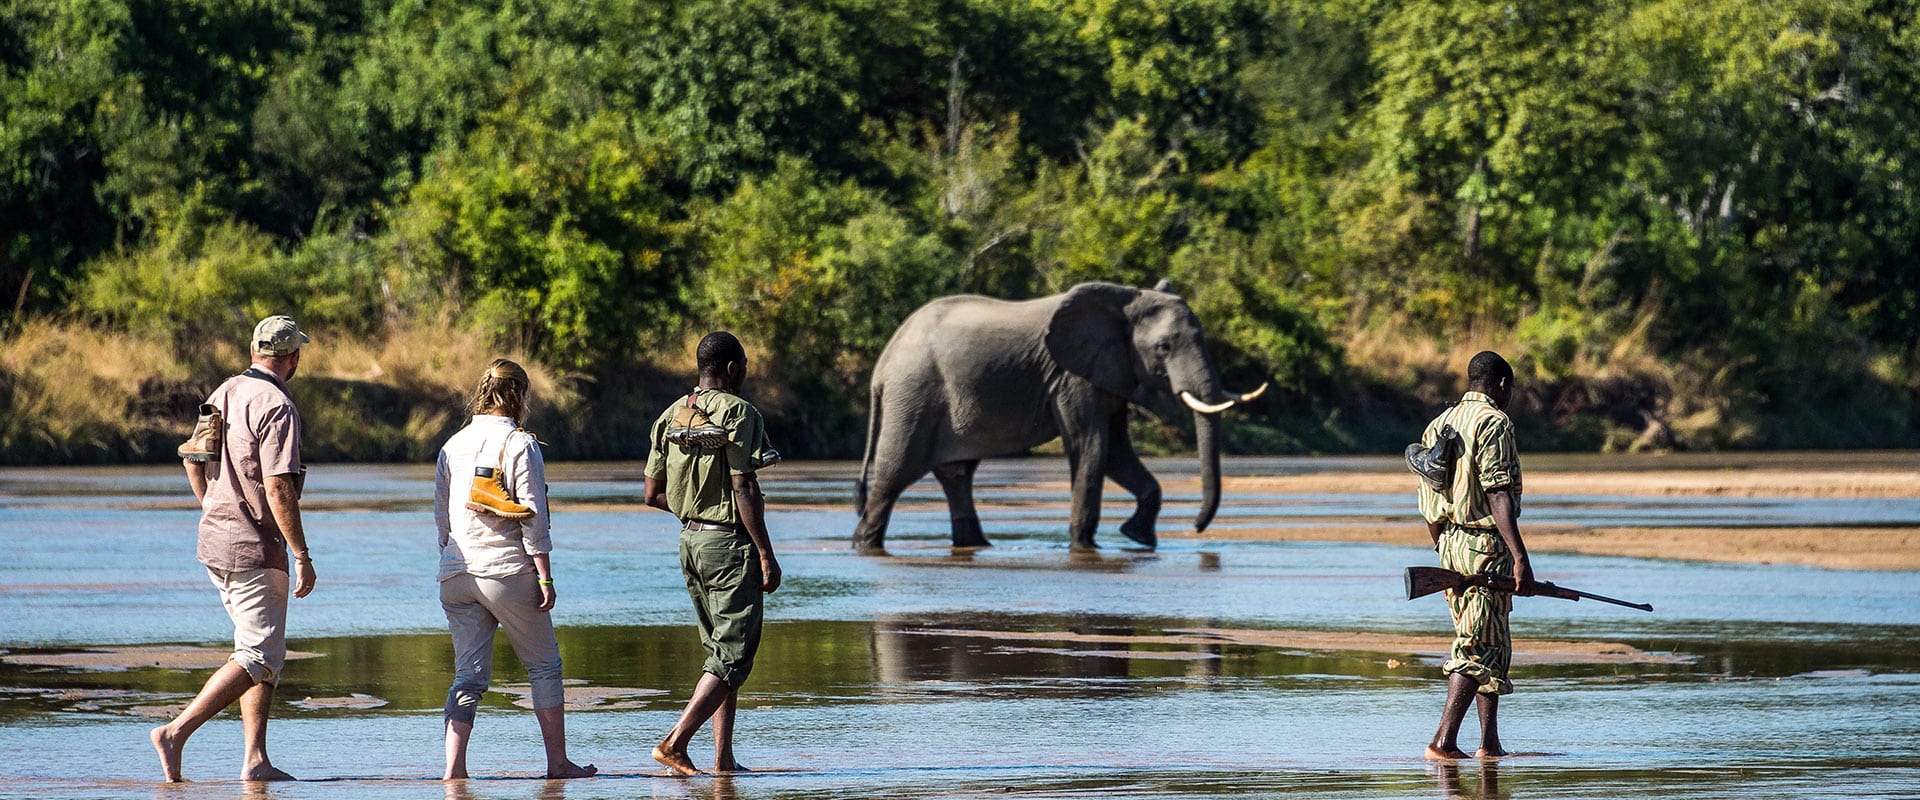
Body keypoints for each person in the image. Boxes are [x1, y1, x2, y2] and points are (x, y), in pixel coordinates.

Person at [151, 315, 317, 782]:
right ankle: (176, 732)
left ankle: (255, 760)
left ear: (255, 350)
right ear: (293, 357)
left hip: (216, 542)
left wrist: (214, 507)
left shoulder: (223, 392)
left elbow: (193, 457)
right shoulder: (277, 405)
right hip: (253, 548)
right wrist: (301, 554)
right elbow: (280, 486)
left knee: (258, 650)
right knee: (260, 656)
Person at [433, 359, 595, 780]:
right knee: (544, 667)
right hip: (505, 570)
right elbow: (532, 517)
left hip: (456, 571)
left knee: (467, 676)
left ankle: (454, 770)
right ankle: (557, 764)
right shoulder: (521, 444)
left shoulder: (452, 444)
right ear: (520, 395)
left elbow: (441, 519)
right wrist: (544, 575)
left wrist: (451, 557)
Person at [642, 332, 783, 776]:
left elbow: (652, 494)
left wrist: (693, 513)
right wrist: (765, 553)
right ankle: (674, 743)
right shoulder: (741, 413)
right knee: (733, 655)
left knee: (720, 652)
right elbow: (744, 486)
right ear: (731, 368)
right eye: (744, 364)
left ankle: (723, 760)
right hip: (729, 545)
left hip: (691, 543)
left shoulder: (670, 416)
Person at [1416, 350, 1535, 760]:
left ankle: (1489, 744)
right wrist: (1519, 556)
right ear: (1501, 384)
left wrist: (1445, 548)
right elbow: (1498, 490)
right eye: (1511, 388)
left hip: (1449, 544)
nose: (1511, 396)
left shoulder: (1439, 424)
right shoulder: (1494, 422)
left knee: (1494, 642)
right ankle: (1443, 742)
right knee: (1474, 644)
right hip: (1484, 547)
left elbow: (1428, 502)